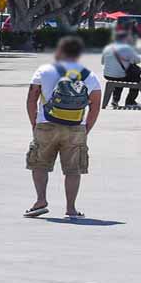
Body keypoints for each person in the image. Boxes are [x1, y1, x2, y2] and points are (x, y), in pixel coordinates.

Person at [25, 35, 102, 219]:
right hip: (75, 128)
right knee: (73, 169)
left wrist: (34, 123)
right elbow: (96, 104)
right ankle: (71, 209)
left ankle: (40, 201)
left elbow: (31, 97)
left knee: (40, 164)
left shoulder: (43, 71)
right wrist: (86, 128)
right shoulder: (89, 75)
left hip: (46, 124)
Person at [101, 29, 141, 108]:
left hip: (107, 75)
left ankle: (115, 100)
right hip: (120, 75)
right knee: (136, 79)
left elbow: (103, 62)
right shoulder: (127, 48)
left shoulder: (107, 48)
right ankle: (130, 101)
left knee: (120, 75)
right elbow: (138, 60)